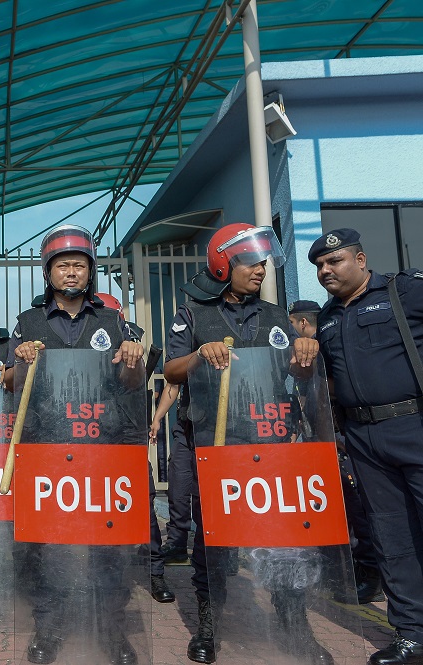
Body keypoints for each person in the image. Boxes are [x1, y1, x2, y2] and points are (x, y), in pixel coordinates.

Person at [162, 223, 323, 665]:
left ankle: (296, 624)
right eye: (251, 262)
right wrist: (200, 355)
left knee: (282, 539)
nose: (260, 269)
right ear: (222, 265)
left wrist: (306, 352)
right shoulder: (192, 312)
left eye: (263, 262)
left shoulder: (275, 314)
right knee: (216, 540)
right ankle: (209, 624)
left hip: (270, 445)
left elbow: (298, 372)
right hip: (216, 447)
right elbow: (173, 370)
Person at [4, 225, 144, 665]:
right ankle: (49, 625)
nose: (71, 272)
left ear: (90, 272)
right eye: (62, 265)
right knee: (47, 543)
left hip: (101, 446)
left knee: (107, 542)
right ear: (48, 273)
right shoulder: (28, 322)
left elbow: (128, 383)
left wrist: (134, 361)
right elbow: (7, 382)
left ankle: (112, 629)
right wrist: (21, 361)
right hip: (46, 447)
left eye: (79, 265)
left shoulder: (110, 320)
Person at [309, 228, 423, 665]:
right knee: (393, 537)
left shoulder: (403, 291)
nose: (325, 271)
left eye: (333, 262)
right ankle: (412, 633)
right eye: (319, 266)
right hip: (363, 437)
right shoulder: (327, 318)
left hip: (413, 424)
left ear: (359, 259)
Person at [290, 298, 384, 605]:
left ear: (303, 323)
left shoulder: (325, 348)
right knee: (333, 510)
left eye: (292, 326)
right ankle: (346, 571)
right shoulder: (315, 350)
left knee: (358, 508)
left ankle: (370, 576)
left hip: (344, 438)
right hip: (323, 441)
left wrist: (339, 434)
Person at [96, 292, 176, 606]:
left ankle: (156, 574)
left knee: (142, 505)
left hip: (127, 433)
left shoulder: (129, 337)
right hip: (93, 435)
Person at [149, 383, 192, 565]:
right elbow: (173, 383)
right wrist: (157, 418)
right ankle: (177, 544)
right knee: (177, 487)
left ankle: (225, 552)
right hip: (187, 427)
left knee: (218, 490)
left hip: (221, 426)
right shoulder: (185, 357)